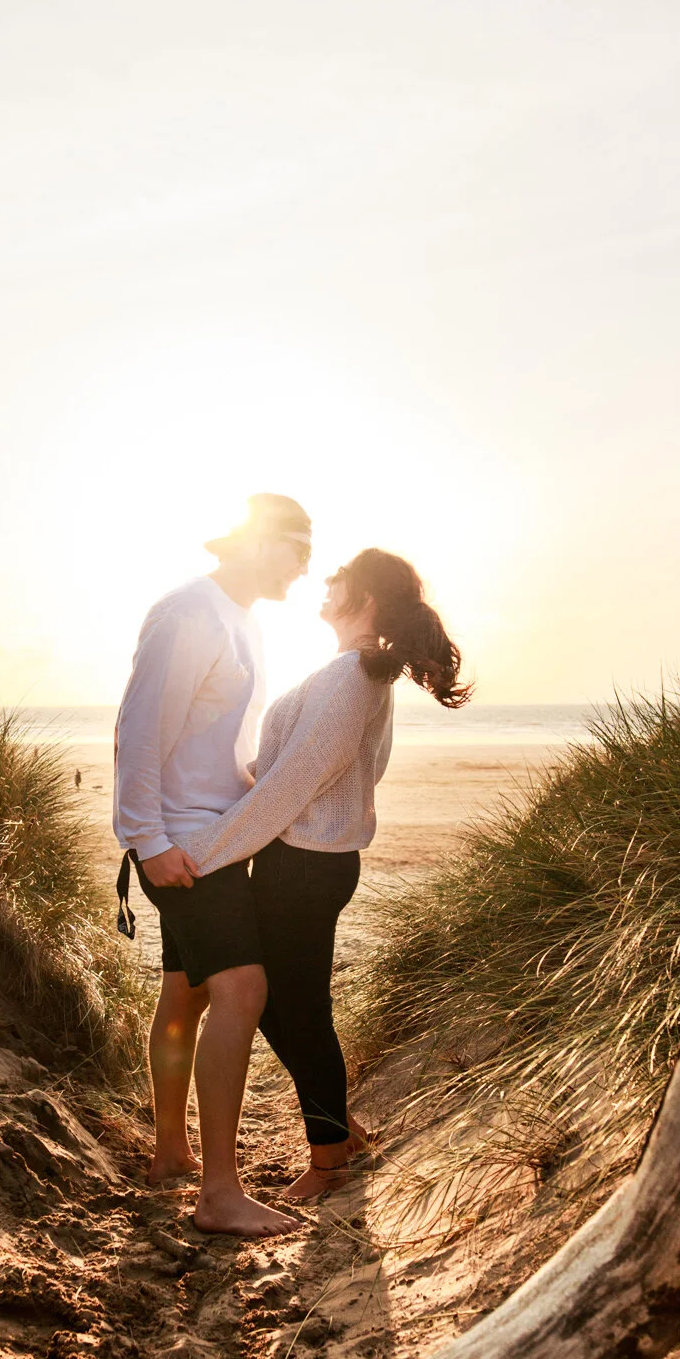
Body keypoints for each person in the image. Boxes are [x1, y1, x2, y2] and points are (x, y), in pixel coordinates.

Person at [180, 548, 469, 1201]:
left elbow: (294, 784)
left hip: (302, 868)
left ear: (362, 599)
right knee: (271, 1005)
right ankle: (340, 1129)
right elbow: (282, 774)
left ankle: (330, 1160)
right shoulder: (356, 672)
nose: (324, 582)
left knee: (298, 1012)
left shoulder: (350, 677)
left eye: (337, 578)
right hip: (307, 863)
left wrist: (207, 852)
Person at [112, 493, 312, 1238]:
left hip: (216, 834)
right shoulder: (189, 613)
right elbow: (139, 728)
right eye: (299, 551)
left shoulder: (243, 621)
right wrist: (146, 838)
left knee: (188, 993)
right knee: (242, 989)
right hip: (186, 844)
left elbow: (212, 739)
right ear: (265, 543)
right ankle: (219, 1194)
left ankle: (172, 1154)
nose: (303, 569)